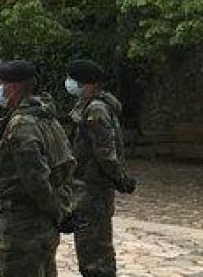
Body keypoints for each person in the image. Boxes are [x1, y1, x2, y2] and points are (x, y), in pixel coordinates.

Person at [0, 60, 78, 277]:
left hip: (25, 223)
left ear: (13, 88)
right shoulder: (47, 117)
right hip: (43, 224)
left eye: (2, 84)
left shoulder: (22, 124)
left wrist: (58, 213)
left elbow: (36, 180)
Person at [65, 59, 136, 277]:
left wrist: (122, 179)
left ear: (87, 83)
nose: (69, 84)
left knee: (95, 250)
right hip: (87, 187)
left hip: (93, 189)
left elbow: (105, 153)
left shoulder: (96, 110)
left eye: (73, 80)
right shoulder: (88, 106)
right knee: (90, 248)